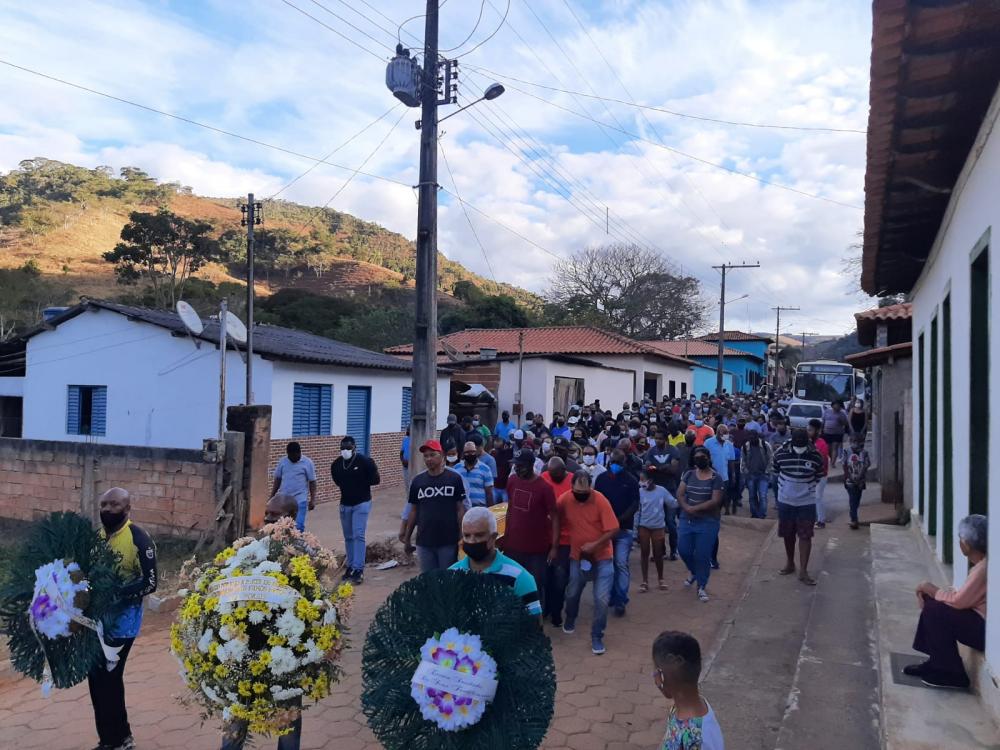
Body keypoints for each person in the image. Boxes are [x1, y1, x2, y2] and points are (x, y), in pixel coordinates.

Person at [221, 493, 302, 750]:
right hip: (248, 646)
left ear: (291, 519)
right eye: (266, 513)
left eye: (274, 515)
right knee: (237, 713)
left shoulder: (305, 554)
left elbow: (311, 604)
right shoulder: (251, 550)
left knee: (288, 717)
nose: (267, 518)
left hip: (287, 652)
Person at [88, 488, 158, 750]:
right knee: (95, 678)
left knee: (109, 677)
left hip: (123, 621)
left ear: (127, 509)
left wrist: (118, 594)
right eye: (103, 504)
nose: (107, 509)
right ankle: (109, 738)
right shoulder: (96, 538)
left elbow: (151, 582)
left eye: (114, 505)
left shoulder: (139, 538)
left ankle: (120, 740)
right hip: (96, 620)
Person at [904, 515, 988, 690]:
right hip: (980, 622)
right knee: (933, 604)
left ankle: (951, 673)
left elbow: (958, 602)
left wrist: (931, 589)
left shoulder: (984, 568)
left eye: (960, 538)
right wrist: (933, 594)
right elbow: (965, 597)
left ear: (966, 544)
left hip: (986, 632)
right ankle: (937, 661)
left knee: (936, 609)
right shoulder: (982, 565)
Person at [559, 470, 620, 655]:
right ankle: (570, 617)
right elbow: (554, 516)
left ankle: (597, 635)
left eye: (584, 493)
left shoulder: (600, 500)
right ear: (571, 488)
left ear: (591, 488)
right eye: (577, 492)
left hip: (602, 556)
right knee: (572, 591)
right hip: (578, 556)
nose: (580, 496)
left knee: (601, 599)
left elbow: (614, 528)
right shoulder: (565, 500)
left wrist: (596, 544)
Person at [450, 506, 542, 619]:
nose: (472, 541)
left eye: (479, 535)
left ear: (493, 537)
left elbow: (535, 626)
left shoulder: (519, 577)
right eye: (467, 536)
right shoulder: (451, 574)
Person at [502, 449, 559, 611]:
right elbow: (510, 509)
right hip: (513, 548)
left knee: (535, 588)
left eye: (521, 466)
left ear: (531, 465)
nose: (517, 469)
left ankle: (535, 624)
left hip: (537, 551)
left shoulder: (544, 488)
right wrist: (506, 537)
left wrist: (554, 548)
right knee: (512, 586)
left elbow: (555, 517)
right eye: (515, 466)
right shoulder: (512, 481)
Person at [400, 440, 467, 572]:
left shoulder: (454, 479)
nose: (429, 459)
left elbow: (460, 509)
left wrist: (462, 535)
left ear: (442, 455)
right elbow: (413, 511)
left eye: (432, 455)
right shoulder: (418, 481)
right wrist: (407, 538)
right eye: (426, 456)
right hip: (424, 541)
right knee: (428, 581)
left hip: (448, 540)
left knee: (447, 579)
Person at [652, 631, 725, 749]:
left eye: (657, 669)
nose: (656, 678)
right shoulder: (684, 707)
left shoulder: (695, 739)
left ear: (672, 663)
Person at [773, 428, 824, 586]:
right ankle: (790, 563)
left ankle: (803, 571)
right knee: (788, 534)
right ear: (792, 441)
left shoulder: (815, 455)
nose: (800, 448)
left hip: (806, 502)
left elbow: (818, 476)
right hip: (785, 501)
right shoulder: (780, 453)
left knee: (805, 535)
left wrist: (805, 489)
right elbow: (775, 471)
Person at [330, 436, 380, 585]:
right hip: (345, 504)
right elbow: (338, 481)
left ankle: (359, 569)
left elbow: (376, 479)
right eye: (342, 448)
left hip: (362, 503)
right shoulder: (336, 465)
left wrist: (361, 482)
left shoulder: (365, 462)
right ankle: (350, 566)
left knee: (358, 535)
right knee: (348, 536)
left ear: (354, 448)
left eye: (348, 448)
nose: (345, 451)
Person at [595, 449, 640, 617]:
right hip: (604, 531)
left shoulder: (631, 481)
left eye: (618, 463)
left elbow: (635, 504)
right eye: (612, 462)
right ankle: (609, 596)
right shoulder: (601, 479)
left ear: (624, 464)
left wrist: (619, 520)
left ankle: (621, 599)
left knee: (620, 563)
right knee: (606, 564)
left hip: (623, 529)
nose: (614, 465)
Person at [676, 447, 724, 602]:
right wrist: (686, 507)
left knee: (703, 555)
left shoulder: (716, 478)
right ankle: (694, 571)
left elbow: (715, 500)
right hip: (687, 519)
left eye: (702, 457)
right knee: (683, 550)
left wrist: (693, 508)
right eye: (696, 458)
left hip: (707, 522)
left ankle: (701, 585)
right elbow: (680, 493)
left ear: (708, 458)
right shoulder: (689, 474)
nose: (699, 460)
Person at [541, 457, 573, 627]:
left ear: (563, 470)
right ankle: (545, 609)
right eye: (551, 474)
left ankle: (557, 611)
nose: (552, 477)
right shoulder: (543, 477)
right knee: (545, 577)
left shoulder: (572, 480)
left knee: (560, 578)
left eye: (556, 475)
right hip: (544, 537)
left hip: (565, 539)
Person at [637, 469, 675, 592]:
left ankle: (661, 579)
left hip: (658, 527)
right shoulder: (639, 492)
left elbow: (672, 503)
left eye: (643, 479)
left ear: (650, 480)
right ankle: (644, 581)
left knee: (658, 554)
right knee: (644, 553)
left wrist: (684, 499)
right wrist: (635, 527)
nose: (641, 482)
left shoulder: (661, 491)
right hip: (644, 526)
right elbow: (637, 511)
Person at [271, 442, 317, 532]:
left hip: (300, 500)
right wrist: (272, 495)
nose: (293, 458)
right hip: (284, 501)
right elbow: (278, 479)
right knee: (283, 527)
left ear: (299, 453)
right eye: (290, 456)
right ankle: (287, 546)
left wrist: (312, 500)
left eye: (295, 455)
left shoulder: (307, 463)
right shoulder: (283, 462)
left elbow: (312, 482)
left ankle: (297, 545)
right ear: (287, 454)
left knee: (298, 526)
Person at [704, 425, 737, 515]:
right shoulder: (708, 443)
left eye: (727, 433)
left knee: (724, 495)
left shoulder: (729, 444)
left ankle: (724, 511)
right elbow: (704, 457)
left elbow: (731, 461)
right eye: (724, 433)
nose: (726, 435)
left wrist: (733, 475)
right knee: (711, 496)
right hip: (711, 475)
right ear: (718, 433)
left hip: (724, 476)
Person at [741, 430, 773, 520]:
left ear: (757, 437)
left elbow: (771, 459)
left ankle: (762, 515)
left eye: (753, 437)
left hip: (763, 475)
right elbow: (742, 462)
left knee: (762, 495)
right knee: (752, 496)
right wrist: (746, 473)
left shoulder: (765, 445)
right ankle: (754, 515)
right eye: (750, 437)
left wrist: (767, 472)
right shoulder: (745, 447)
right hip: (751, 475)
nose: (751, 439)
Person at [453, 440, 494, 509]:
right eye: (467, 452)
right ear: (463, 453)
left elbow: (489, 493)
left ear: (476, 452)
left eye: (472, 452)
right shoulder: (457, 468)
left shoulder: (485, 469)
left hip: (480, 508)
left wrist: (490, 510)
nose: (470, 454)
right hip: (462, 509)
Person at [842, 435, 871, 529]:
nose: (855, 443)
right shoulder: (846, 451)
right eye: (853, 441)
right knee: (852, 500)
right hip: (850, 481)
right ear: (850, 441)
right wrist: (848, 477)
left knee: (857, 500)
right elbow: (844, 465)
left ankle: (854, 517)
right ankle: (854, 519)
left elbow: (866, 465)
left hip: (860, 481)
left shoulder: (864, 452)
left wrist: (859, 477)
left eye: (857, 441)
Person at [807, 418, 830, 528]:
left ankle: (821, 521)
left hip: (820, 476)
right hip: (810, 475)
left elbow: (823, 461)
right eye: (808, 429)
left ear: (817, 431)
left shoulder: (821, 443)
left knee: (817, 497)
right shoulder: (809, 442)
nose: (808, 432)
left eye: (810, 430)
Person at [822, 400, 849, 469]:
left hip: (837, 433)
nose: (837, 407)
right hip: (827, 433)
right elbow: (823, 421)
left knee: (835, 448)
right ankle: (831, 458)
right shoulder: (827, 412)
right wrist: (821, 430)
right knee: (828, 448)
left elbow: (845, 423)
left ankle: (832, 463)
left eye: (838, 405)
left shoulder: (842, 414)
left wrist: (841, 421)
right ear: (832, 405)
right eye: (835, 405)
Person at [493, 436, 514, 503]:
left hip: (505, 487)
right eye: (495, 441)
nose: (496, 442)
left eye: (498, 441)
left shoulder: (509, 453)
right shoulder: (493, 454)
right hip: (495, 486)